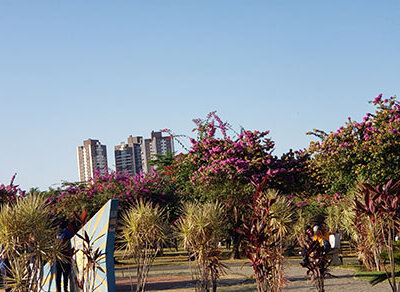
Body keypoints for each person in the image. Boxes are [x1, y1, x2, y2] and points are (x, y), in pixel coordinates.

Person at [56, 221, 74, 292]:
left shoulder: (58, 236)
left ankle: (59, 290)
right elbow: (71, 237)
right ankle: (65, 289)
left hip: (59, 256)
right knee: (65, 274)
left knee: (59, 275)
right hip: (65, 256)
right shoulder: (67, 233)